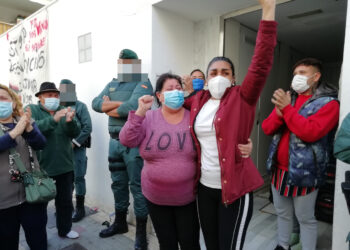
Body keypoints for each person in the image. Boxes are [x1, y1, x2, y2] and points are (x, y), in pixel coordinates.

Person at [183, 0, 277, 249]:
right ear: (205, 78)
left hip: (234, 190)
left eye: (225, 72)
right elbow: (171, 110)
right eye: (213, 72)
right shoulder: (197, 101)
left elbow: (261, 64)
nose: (219, 76)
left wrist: (268, 12)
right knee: (211, 244)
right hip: (204, 189)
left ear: (234, 77)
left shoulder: (242, 97)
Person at [262, 58, 339, 250]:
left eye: (303, 73)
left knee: (305, 218)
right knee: (283, 213)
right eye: (295, 73)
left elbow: (310, 132)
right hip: (279, 170)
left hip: (307, 172)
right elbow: (266, 128)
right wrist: (280, 113)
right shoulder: (290, 99)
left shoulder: (329, 103)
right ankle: (283, 245)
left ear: (316, 77)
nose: (297, 77)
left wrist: (287, 109)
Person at [92, 49, 153, 250]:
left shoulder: (143, 82)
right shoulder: (112, 83)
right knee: (118, 184)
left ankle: (141, 234)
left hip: (134, 143)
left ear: (136, 64)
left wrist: (109, 106)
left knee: (137, 187)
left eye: (129, 62)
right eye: (122, 62)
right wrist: (118, 105)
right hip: (113, 143)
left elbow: (132, 108)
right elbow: (95, 103)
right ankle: (120, 224)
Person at [28, 82, 81, 239]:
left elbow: (75, 131)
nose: (54, 98)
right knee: (39, 206)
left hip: (65, 166)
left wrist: (70, 121)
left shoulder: (63, 110)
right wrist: (54, 119)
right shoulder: (32, 110)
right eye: (49, 95)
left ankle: (64, 229)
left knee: (64, 202)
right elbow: (32, 130)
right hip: (41, 168)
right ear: (40, 97)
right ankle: (38, 237)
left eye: (56, 95)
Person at [0, 84, 47, 250]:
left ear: (13, 103)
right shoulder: (15, 128)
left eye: (3, 99)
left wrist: (28, 129)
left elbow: (41, 143)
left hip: (32, 196)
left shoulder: (24, 121)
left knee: (38, 240)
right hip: (4, 203)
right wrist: (13, 133)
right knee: (7, 243)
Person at [59, 79, 92, 222]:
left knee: (79, 177)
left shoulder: (80, 107)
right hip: (62, 150)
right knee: (66, 179)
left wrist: (74, 143)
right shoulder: (59, 108)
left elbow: (87, 128)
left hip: (77, 149)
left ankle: (80, 208)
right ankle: (67, 207)